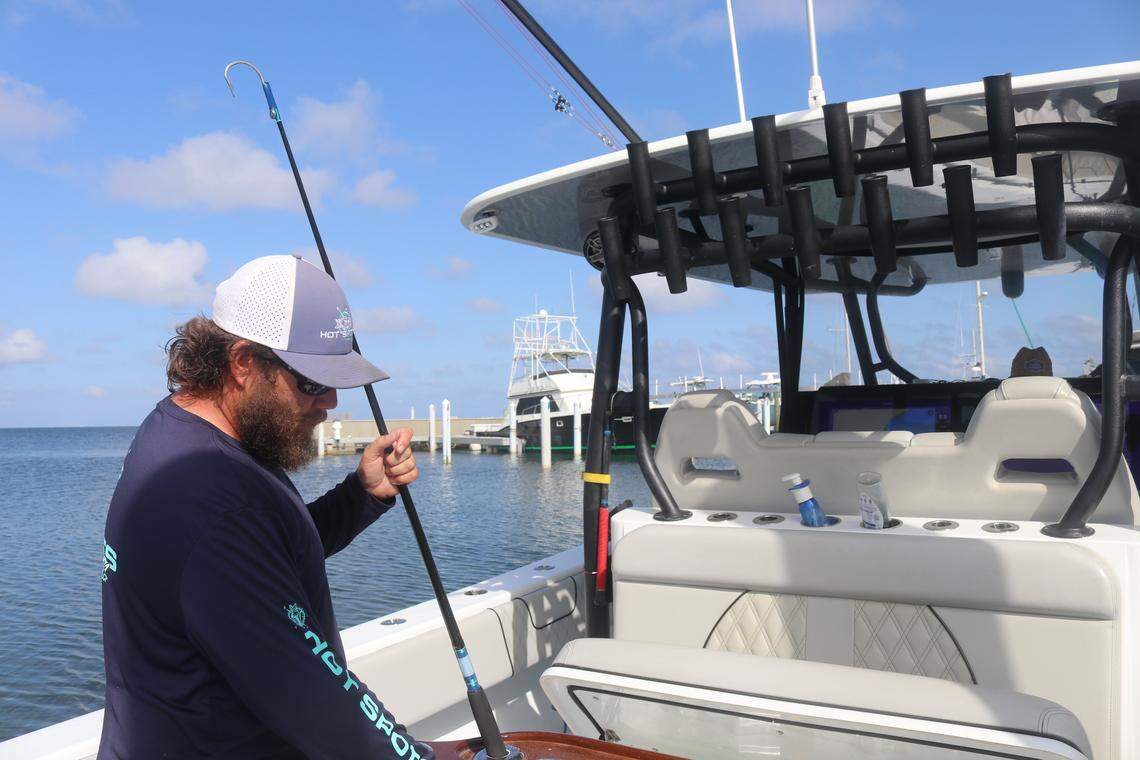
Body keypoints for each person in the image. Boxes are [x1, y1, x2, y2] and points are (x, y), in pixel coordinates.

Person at [99, 253, 433, 759]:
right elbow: (316, 698)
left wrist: (361, 496)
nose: (330, 404)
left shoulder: (187, 429)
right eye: (312, 383)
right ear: (242, 362)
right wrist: (416, 755)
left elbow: (264, 559)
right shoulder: (209, 497)